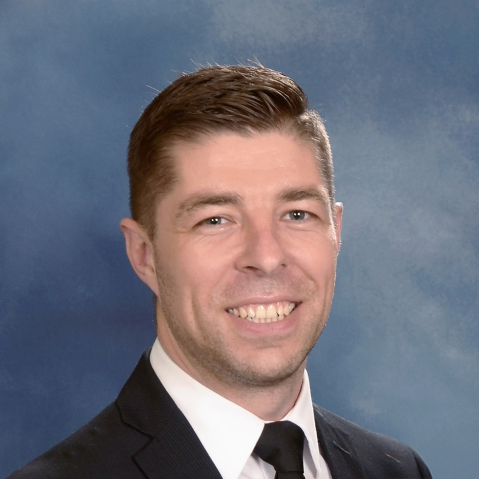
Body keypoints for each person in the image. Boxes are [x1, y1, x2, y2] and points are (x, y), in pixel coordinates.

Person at [9, 64, 432, 479]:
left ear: (335, 231)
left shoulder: (397, 470)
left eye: (297, 214)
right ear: (144, 254)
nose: (266, 257)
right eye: (215, 220)